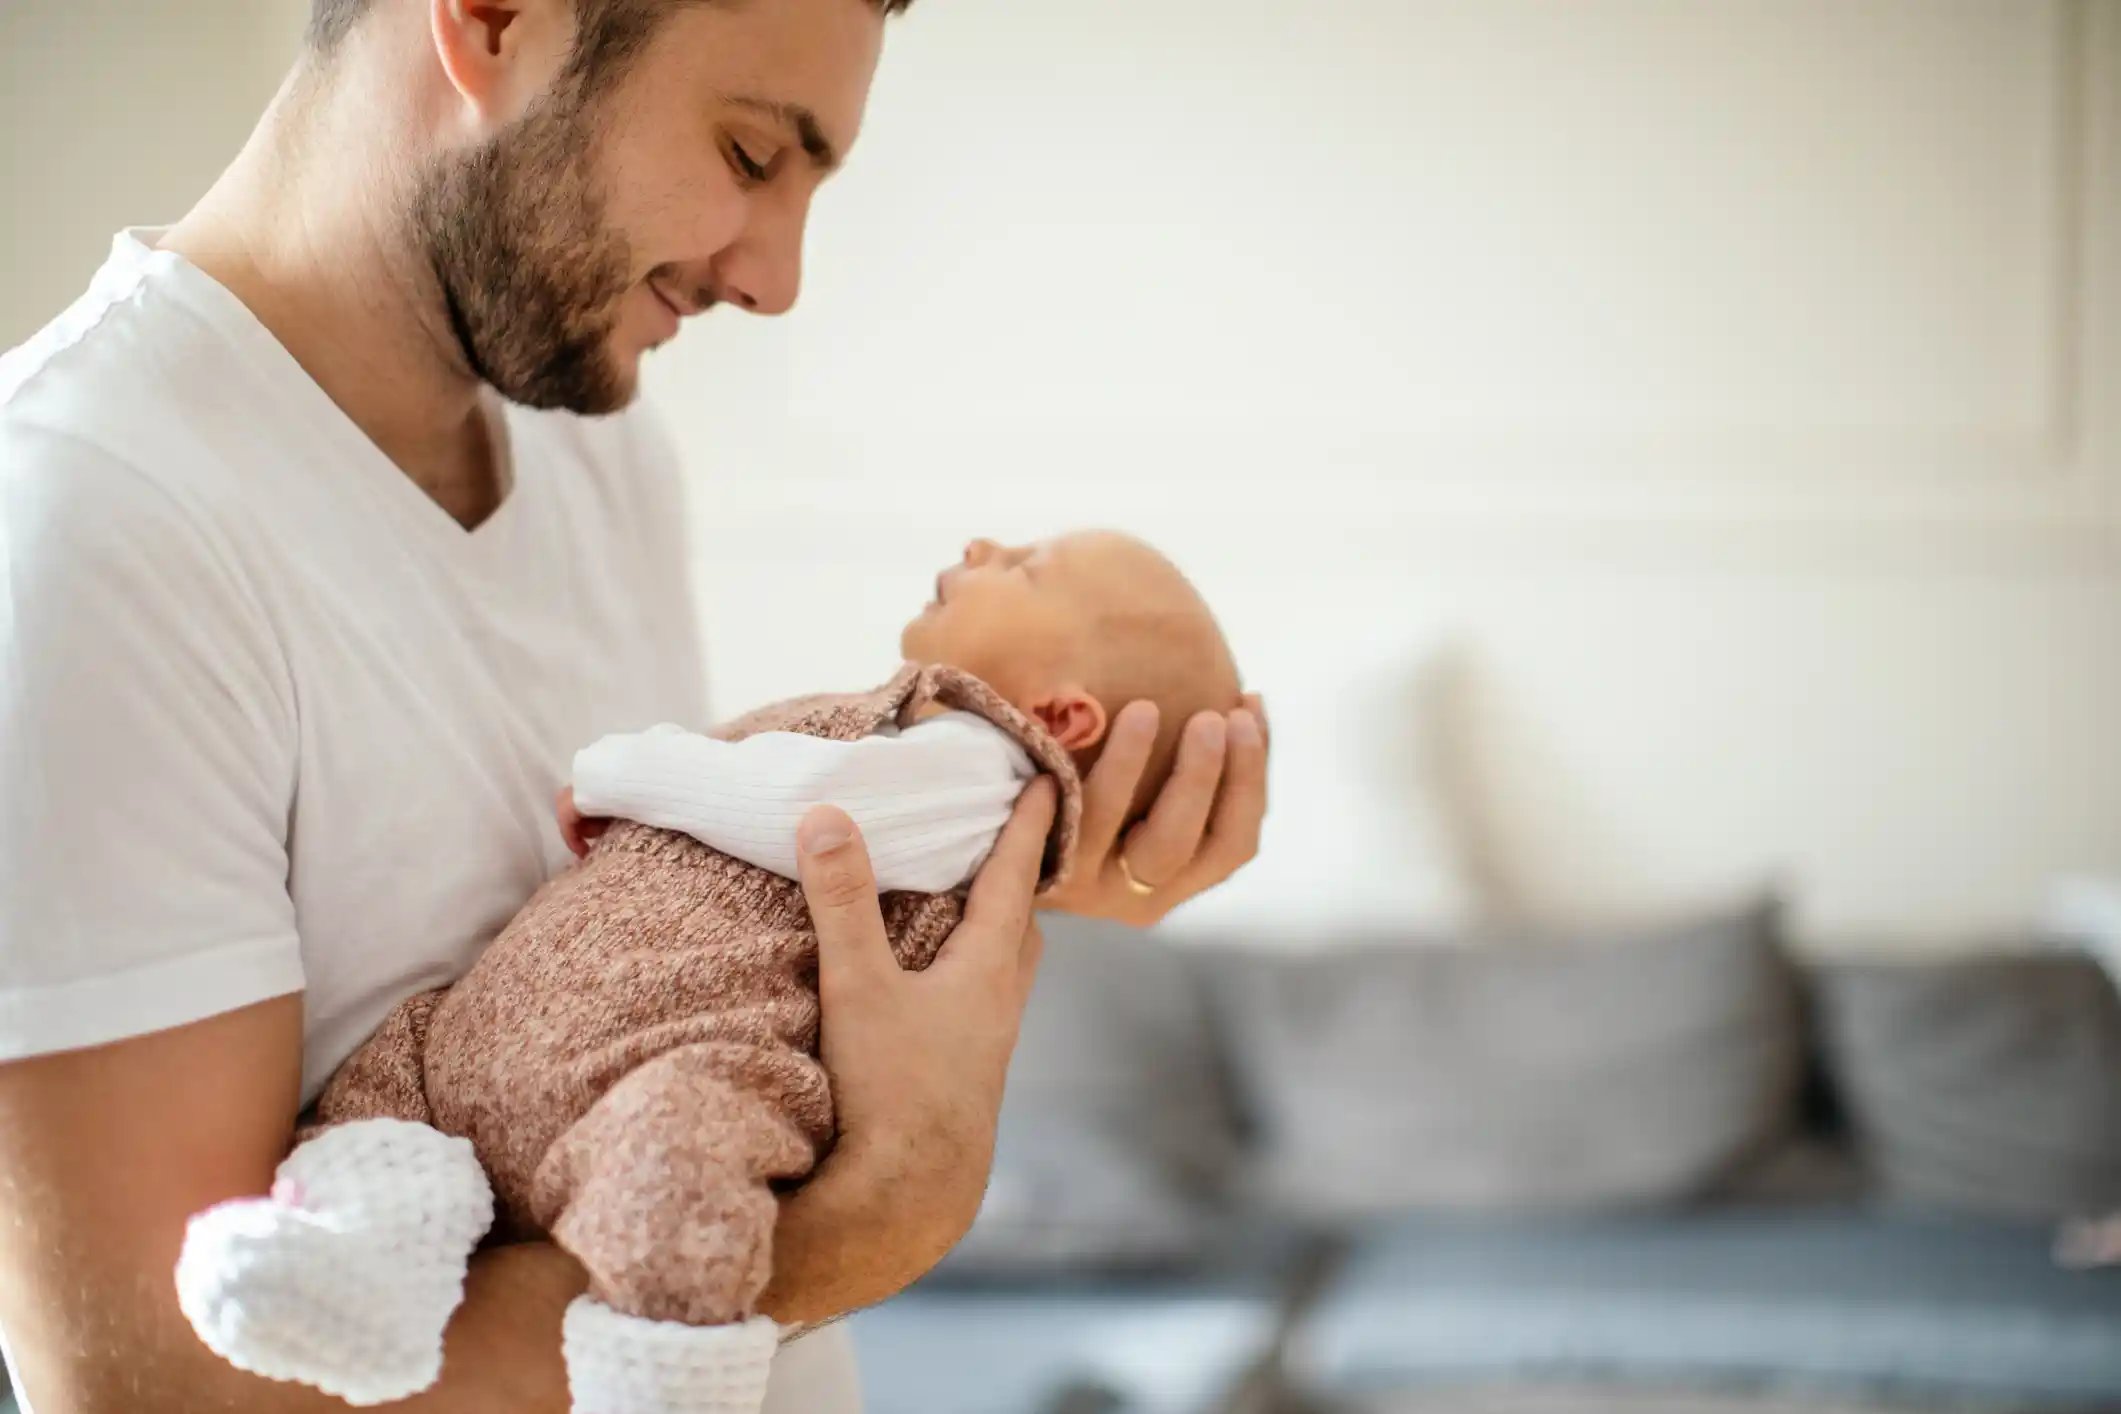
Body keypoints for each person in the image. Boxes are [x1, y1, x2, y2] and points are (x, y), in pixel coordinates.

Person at [0, 2, 1269, 1411]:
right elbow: (164, 1389)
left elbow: (703, 952)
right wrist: (872, 1215)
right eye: (748, 152)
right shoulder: (81, 523)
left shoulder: (592, 441)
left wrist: (1026, 868)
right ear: (490, 20)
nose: (777, 276)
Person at [176, 529, 1242, 1410]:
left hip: (666, 1050)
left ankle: (664, 1368)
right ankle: (359, 1258)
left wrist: (625, 770)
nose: (985, 545)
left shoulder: (984, 764)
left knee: (678, 1158)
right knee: (386, 1088)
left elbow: (809, 807)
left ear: (1065, 716)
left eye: (1031, 568)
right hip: (499, 1026)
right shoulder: (905, 724)